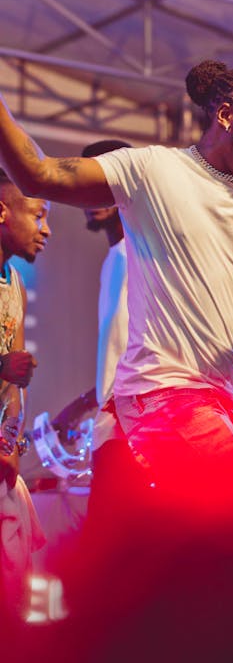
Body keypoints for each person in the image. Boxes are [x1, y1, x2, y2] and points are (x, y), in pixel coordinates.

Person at [0, 59, 233, 498]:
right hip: (163, 394)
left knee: (211, 543)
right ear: (225, 115)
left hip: (218, 400)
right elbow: (39, 174)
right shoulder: (153, 170)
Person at [51, 139, 131, 455]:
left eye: (103, 183)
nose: (90, 196)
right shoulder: (115, 259)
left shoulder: (141, 258)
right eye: (86, 184)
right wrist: (85, 404)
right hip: (112, 431)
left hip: (133, 434)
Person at [0, 170, 50, 618]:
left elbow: (15, 383)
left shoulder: (14, 283)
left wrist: (11, 443)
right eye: (38, 214)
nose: (46, 229)